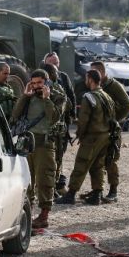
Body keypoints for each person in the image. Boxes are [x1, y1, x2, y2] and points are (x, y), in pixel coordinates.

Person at [11, 69, 66, 229]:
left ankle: (44, 216)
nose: (36, 86)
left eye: (39, 83)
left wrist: (47, 99)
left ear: (46, 82)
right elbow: (15, 114)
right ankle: (26, 213)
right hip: (28, 144)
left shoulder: (57, 96)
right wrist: (25, 96)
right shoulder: (29, 97)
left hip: (45, 144)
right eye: (33, 83)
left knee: (45, 180)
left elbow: (54, 117)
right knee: (26, 181)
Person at [56, 69, 115, 205]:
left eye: (86, 78)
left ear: (90, 79)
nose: (85, 81)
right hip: (105, 136)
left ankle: (71, 194)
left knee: (81, 164)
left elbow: (83, 120)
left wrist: (79, 135)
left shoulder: (89, 97)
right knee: (98, 165)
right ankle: (97, 194)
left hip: (92, 137)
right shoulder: (106, 96)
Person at [89, 61, 129, 203]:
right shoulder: (97, 86)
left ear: (101, 73)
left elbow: (127, 105)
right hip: (99, 131)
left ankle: (113, 190)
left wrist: (114, 119)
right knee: (96, 161)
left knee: (111, 160)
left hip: (112, 131)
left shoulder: (114, 86)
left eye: (93, 72)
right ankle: (97, 190)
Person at [43, 52, 76, 194]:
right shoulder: (40, 78)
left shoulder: (63, 77)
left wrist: (72, 116)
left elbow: (71, 96)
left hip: (61, 125)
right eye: (51, 63)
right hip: (45, 127)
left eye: (56, 63)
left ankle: (56, 185)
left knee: (59, 156)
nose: (55, 66)